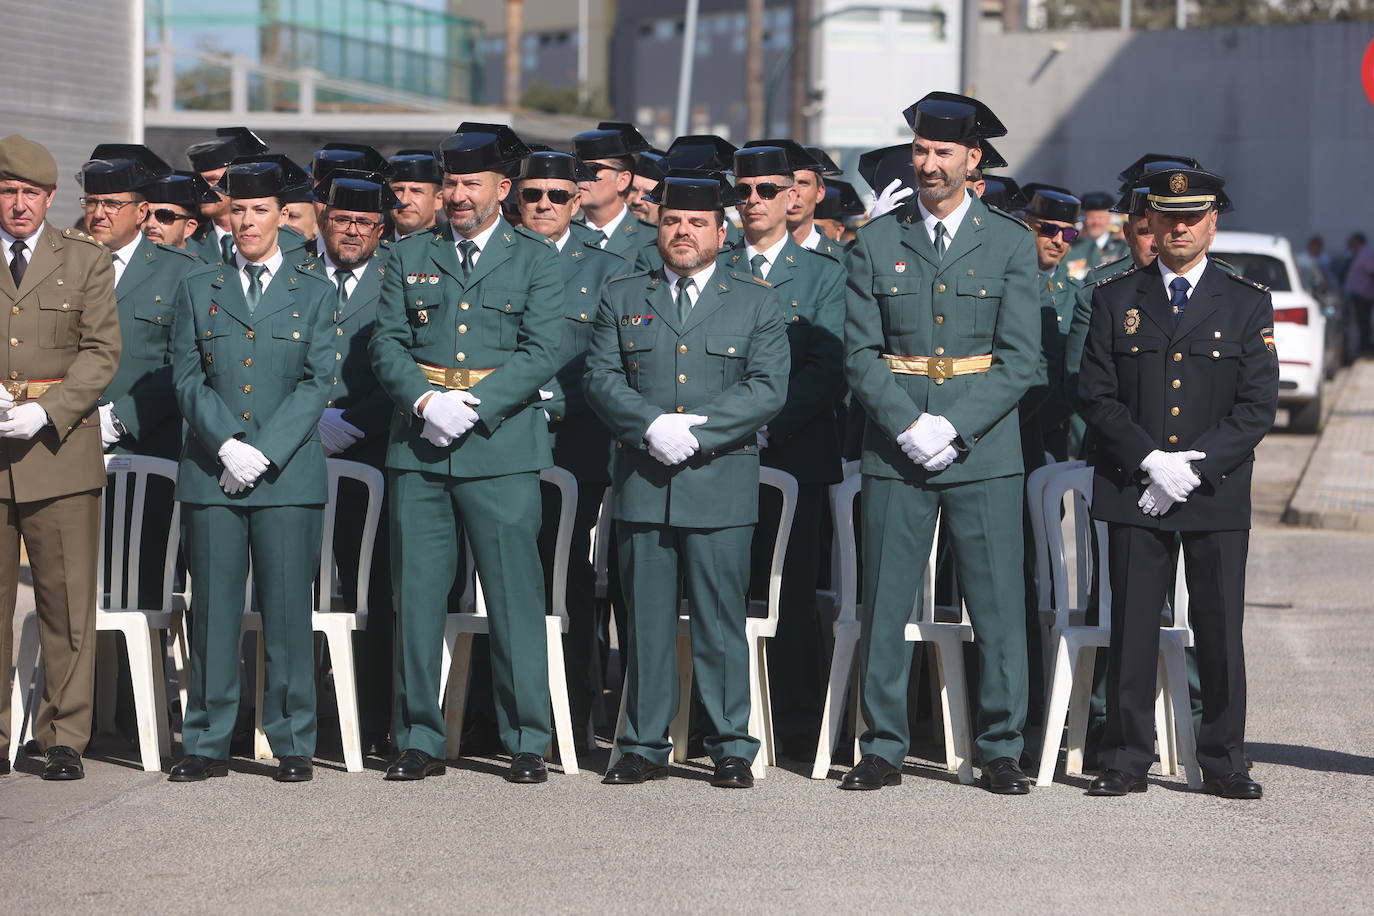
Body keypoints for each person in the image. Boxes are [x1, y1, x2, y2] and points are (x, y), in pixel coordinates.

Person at [841, 92, 1039, 795]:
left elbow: (1021, 359)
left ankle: (1001, 746)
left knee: (996, 603)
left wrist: (953, 425)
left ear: (972, 160)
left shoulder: (1011, 242)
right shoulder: (874, 240)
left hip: (982, 446)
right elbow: (860, 353)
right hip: (896, 443)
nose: (928, 164)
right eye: (921, 151)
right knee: (886, 599)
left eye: (943, 153)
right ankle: (883, 744)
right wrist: (907, 423)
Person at [369, 123, 563, 784]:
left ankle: (526, 737)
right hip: (420, 447)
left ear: (501, 189)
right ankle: (418, 736)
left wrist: (476, 406)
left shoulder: (535, 258)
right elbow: (386, 344)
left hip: (500, 444)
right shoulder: (405, 255)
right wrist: (426, 403)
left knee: (514, 595)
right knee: (416, 596)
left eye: (469, 183)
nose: (456, 195)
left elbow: (544, 348)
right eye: (449, 182)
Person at [585, 172, 789, 789]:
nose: (683, 231)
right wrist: (649, 425)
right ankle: (643, 743)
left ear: (721, 234)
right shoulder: (623, 295)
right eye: (673, 220)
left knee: (719, 619)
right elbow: (600, 377)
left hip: (718, 480)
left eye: (697, 222)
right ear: (659, 227)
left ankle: (731, 743)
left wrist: (698, 431)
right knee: (644, 621)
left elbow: (767, 387)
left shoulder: (755, 299)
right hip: (646, 480)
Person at [1079, 166, 1277, 800]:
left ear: (1213, 221)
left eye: (1193, 215)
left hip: (1213, 492)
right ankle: (1125, 758)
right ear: (1151, 224)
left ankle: (1223, 760)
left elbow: (1257, 405)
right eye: (1168, 216)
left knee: (1220, 630)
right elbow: (1096, 395)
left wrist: (1190, 468)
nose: (1181, 226)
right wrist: (1148, 461)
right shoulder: (1114, 298)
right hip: (1134, 486)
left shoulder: (1247, 301)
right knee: (1133, 626)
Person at [167, 157, 336, 784]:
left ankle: (291, 740)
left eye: (260, 210)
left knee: (288, 609)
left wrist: (262, 451)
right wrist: (226, 444)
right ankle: (206, 741)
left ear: (281, 219)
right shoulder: (198, 286)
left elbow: (319, 381)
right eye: (237, 210)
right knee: (210, 610)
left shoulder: (313, 290)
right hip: (212, 472)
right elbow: (187, 376)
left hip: (286, 474)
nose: (247, 221)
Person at [717, 145, 846, 762]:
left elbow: (828, 367)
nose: (756, 202)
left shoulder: (825, 271)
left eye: (767, 190)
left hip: (793, 451)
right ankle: (718, 721)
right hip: (719, 454)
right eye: (744, 191)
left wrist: (765, 423)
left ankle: (795, 727)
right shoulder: (716, 264)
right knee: (719, 590)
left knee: (789, 597)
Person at [0, 135, 121, 780]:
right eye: (9, 191)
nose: (19, 205)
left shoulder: (84, 259)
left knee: (66, 603)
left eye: (31, 194)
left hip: (58, 445)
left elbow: (102, 351)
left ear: (51, 199)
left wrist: (48, 410)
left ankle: (63, 736)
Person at [514, 149, 624, 745]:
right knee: (498, 577)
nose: (545, 206)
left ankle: (575, 717)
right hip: (499, 440)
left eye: (558, 196)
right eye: (534, 195)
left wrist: (544, 402)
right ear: (516, 197)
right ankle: (491, 715)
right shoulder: (495, 257)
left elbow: (604, 362)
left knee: (568, 582)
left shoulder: (605, 269)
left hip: (573, 449)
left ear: (576, 200)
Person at [308, 167, 402, 758]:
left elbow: (406, 364)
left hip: (373, 452)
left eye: (365, 224)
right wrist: (309, 420)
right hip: (298, 449)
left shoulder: (398, 279)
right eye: (342, 220)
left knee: (373, 591)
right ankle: (301, 717)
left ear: (381, 230)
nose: (352, 233)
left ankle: (369, 721)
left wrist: (355, 422)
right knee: (296, 586)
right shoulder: (296, 274)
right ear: (325, 220)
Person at [1017, 184, 1083, 463]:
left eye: (1068, 234)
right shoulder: (1005, 285)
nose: (1058, 240)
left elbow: (1074, 375)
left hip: (1049, 433)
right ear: (1027, 227)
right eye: (1048, 229)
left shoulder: (1079, 296)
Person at [184, 127, 270, 265]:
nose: (203, 188)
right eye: (200, 181)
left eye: (212, 180)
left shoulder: (286, 242)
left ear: (240, 181)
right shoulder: (187, 241)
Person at [572, 123, 653, 264]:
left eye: (591, 169)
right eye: (577, 169)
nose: (582, 177)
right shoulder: (564, 233)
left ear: (622, 180)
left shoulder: (651, 240)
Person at [140, 170, 218, 250]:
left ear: (189, 228)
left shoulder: (201, 262)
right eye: (145, 215)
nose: (150, 224)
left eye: (164, 216)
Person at [1064, 191, 1127, 280]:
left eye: (1100, 217)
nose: (1096, 222)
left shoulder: (1122, 247)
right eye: (1091, 217)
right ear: (1084, 219)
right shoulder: (1071, 247)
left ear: (1109, 219)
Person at [387, 149, 444, 240]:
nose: (404, 201)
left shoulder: (453, 252)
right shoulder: (373, 252)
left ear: (438, 200)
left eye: (416, 191)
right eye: (398, 190)